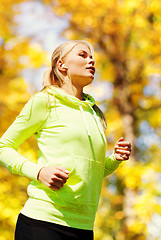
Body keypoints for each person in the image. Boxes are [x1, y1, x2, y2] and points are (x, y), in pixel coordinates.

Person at [0, 40, 131, 240]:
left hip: (84, 227)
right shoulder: (45, 101)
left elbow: (91, 172)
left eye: (92, 57)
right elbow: (3, 147)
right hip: (43, 222)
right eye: (83, 55)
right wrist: (39, 172)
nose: (92, 61)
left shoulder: (95, 113)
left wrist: (115, 159)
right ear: (62, 65)